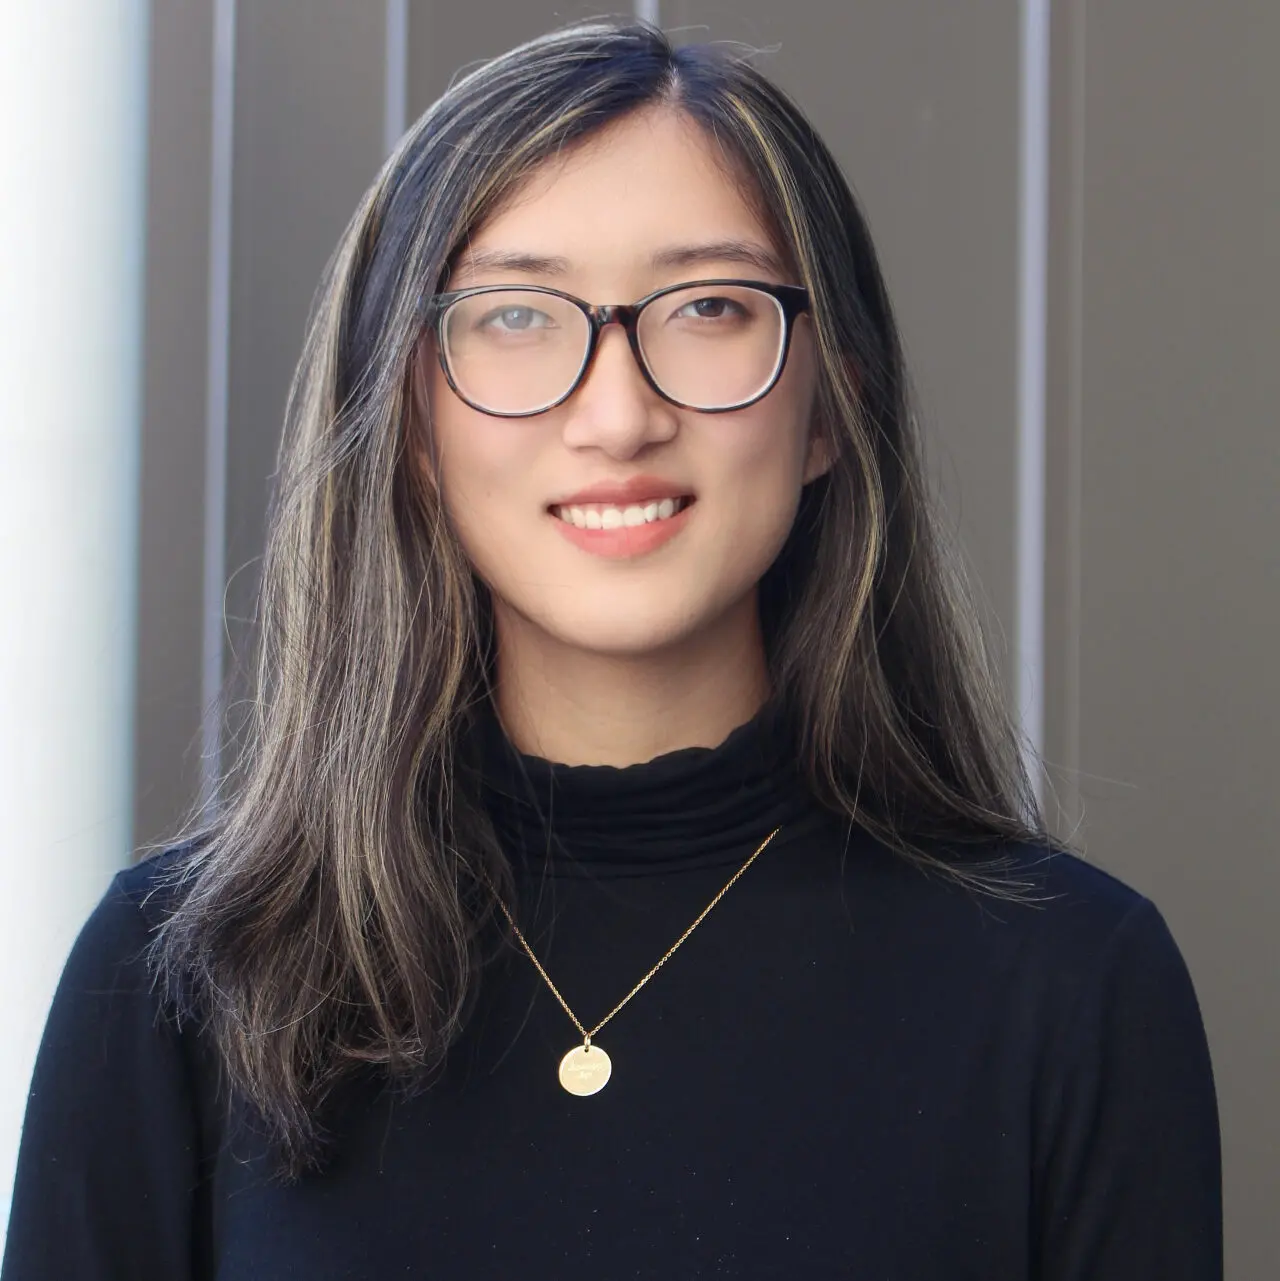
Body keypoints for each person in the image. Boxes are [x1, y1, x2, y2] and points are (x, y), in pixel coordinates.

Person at [1, 17, 1221, 1280]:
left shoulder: (1070, 986)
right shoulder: (175, 982)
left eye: (707, 306)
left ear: (830, 408)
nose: (619, 413)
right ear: (409, 421)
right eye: (518, 316)